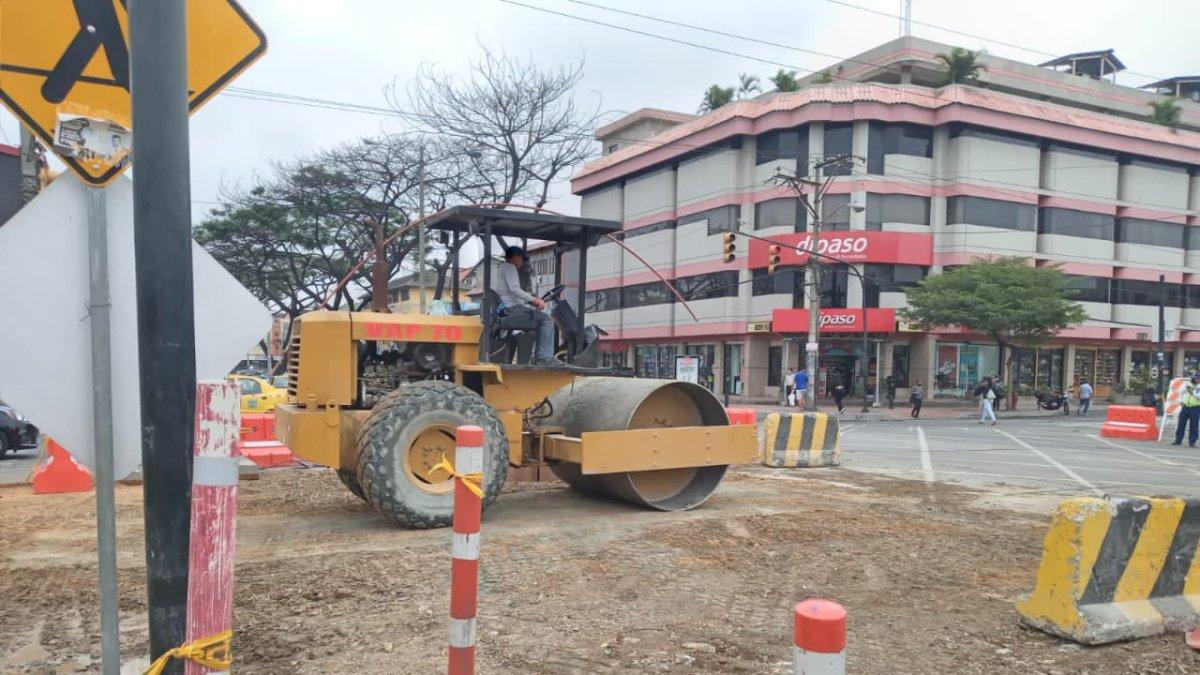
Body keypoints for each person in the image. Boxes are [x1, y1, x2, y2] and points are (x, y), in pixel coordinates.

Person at [495, 246, 561, 366]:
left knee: (537, 321)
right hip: (513, 310)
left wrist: (530, 302)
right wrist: (535, 300)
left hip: (509, 309)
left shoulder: (502, 268)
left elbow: (511, 294)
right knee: (547, 320)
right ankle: (544, 357)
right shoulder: (510, 267)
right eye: (521, 259)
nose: (522, 262)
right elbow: (515, 289)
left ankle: (533, 356)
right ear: (516, 257)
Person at [1173, 373, 1200, 448]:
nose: (1196, 379)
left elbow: (1199, 396)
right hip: (1185, 407)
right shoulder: (1189, 384)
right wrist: (1181, 401)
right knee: (1181, 424)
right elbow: (1181, 392)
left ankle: (1192, 442)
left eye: (1198, 378)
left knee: (1194, 425)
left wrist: (1192, 391)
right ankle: (1178, 440)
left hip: (1195, 407)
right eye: (1195, 378)